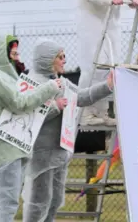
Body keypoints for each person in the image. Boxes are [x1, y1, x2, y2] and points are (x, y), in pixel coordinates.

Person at [21, 38, 115, 222]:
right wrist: (55, 106)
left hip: (59, 152)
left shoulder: (62, 83)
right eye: (60, 56)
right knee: (40, 200)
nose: (64, 60)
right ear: (48, 60)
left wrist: (108, 86)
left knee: (55, 200)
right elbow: (28, 114)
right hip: (42, 155)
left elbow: (82, 96)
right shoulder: (32, 84)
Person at [0, 32, 62, 222]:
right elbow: (19, 103)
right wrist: (49, 88)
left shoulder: (7, 78)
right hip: (4, 148)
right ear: (0, 53)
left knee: (0, 198)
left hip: (15, 147)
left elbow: (25, 108)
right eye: (13, 53)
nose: (17, 57)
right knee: (7, 201)